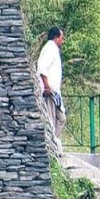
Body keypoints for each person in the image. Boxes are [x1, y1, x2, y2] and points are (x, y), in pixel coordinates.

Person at [37, 26, 66, 155]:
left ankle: (54, 142)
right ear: (56, 37)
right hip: (50, 91)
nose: (62, 41)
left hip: (55, 92)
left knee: (61, 118)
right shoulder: (49, 48)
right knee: (51, 119)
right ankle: (52, 147)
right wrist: (47, 86)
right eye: (62, 38)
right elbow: (42, 68)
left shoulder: (53, 49)